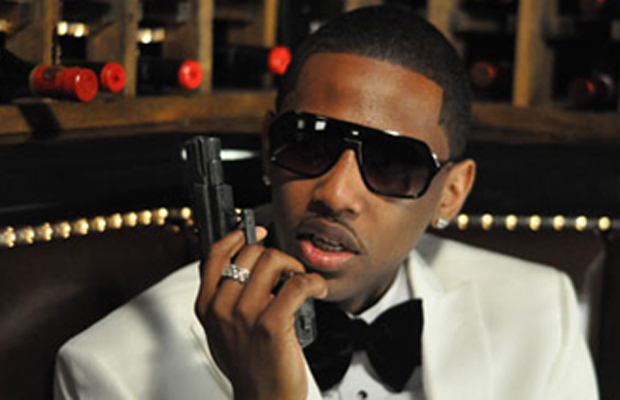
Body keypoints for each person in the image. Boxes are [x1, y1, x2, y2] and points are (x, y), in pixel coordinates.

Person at [54, 6, 598, 400]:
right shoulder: (109, 372)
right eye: (309, 144)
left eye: (393, 163)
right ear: (270, 149)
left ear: (452, 193)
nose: (335, 195)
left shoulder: (540, 312)